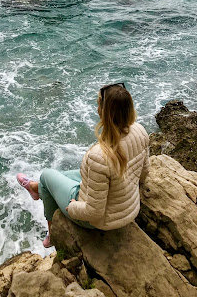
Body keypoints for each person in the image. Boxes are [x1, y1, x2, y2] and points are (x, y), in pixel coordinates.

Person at [17, 83, 150, 247]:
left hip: (102, 222)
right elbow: (144, 174)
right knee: (63, 176)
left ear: (103, 112)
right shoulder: (140, 131)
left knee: (46, 176)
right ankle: (36, 188)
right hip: (128, 208)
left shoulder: (99, 156)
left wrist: (73, 208)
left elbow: (94, 212)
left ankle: (52, 236)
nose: (96, 108)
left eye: (98, 104)